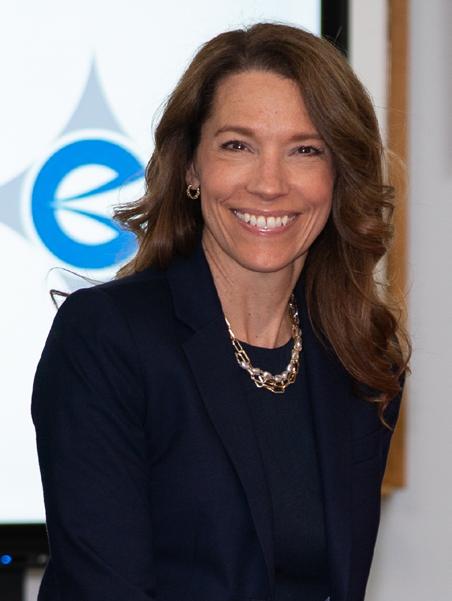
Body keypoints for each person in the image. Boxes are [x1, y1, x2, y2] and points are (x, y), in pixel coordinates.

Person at [32, 22, 409, 601]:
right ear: (190, 167)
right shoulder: (107, 338)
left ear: (339, 176)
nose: (269, 184)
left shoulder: (362, 357)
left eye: (305, 150)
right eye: (238, 146)